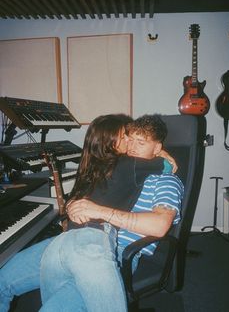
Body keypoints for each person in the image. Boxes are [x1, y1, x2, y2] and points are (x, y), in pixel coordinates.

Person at [0, 113, 180, 312]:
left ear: (157, 147)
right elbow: (87, 193)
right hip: (70, 239)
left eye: (141, 142)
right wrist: (73, 206)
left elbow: (159, 226)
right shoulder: (119, 167)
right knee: (2, 280)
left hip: (112, 248)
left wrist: (98, 211)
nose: (131, 146)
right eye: (129, 139)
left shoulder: (166, 180)